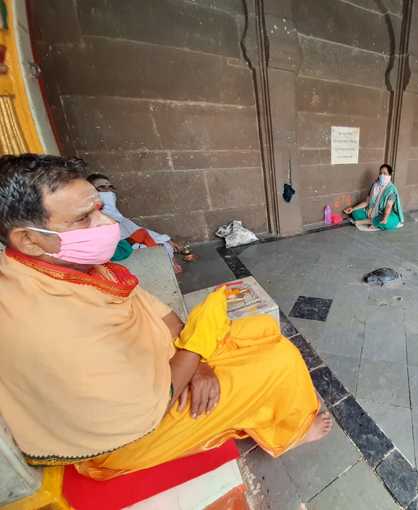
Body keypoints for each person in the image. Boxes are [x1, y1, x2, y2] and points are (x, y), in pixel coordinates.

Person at [0, 154, 330, 480]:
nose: (108, 224)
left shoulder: (70, 269)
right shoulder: (44, 325)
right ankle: (290, 434)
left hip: (170, 366)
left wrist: (198, 364)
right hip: (140, 429)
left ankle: (276, 406)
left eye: (99, 208)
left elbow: (161, 313)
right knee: (278, 360)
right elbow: (156, 403)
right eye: (83, 218)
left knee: (258, 329)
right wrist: (197, 351)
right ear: (28, 239)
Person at [86, 173, 183, 273]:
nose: (108, 191)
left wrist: (167, 240)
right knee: (159, 248)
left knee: (165, 244)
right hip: (122, 255)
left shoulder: (118, 217)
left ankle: (169, 266)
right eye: (102, 188)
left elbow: (137, 230)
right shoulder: (93, 219)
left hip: (133, 246)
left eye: (110, 187)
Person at [344, 164, 404, 230]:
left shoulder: (391, 190)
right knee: (356, 213)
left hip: (386, 213)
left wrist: (385, 218)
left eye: (385, 173)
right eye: (380, 173)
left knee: (387, 222)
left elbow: (388, 207)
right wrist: (353, 209)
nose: (382, 175)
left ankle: (361, 222)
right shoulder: (375, 185)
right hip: (372, 211)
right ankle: (373, 222)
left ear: (390, 175)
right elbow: (366, 202)